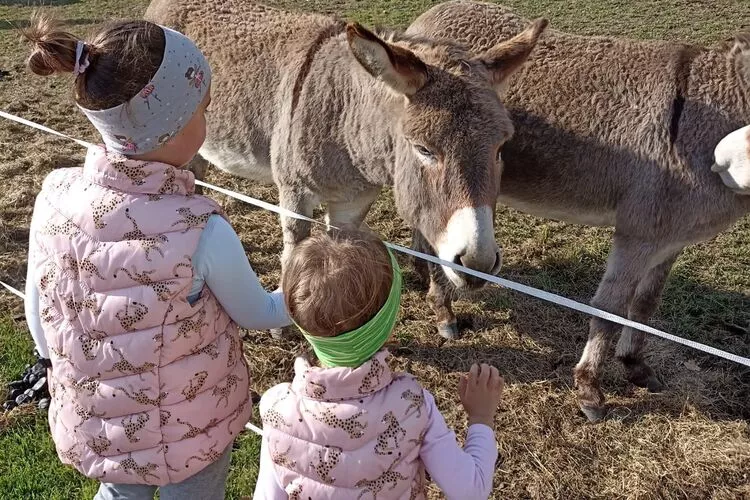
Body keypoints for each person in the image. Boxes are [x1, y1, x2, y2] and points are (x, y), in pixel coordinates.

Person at [21, 14, 290, 500]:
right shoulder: (200, 228)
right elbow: (259, 313)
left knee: (120, 494)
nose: (209, 120)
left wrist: (50, 361)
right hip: (191, 432)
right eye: (202, 111)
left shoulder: (52, 196)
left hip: (104, 424)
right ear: (170, 128)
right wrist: (303, 289)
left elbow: (37, 309)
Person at [253, 229, 504, 500]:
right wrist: (481, 418)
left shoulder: (276, 407)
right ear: (387, 324)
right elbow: (471, 490)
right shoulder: (411, 403)